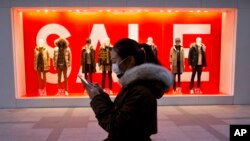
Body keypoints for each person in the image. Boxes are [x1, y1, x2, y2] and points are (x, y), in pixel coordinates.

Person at [83, 38, 173, 141]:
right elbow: (118, 113)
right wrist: (101, 95)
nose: (113, 66)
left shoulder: (140, 91)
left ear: (129, 60)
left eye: (115, 61)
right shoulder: (132, 85)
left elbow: (116, 127)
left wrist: (96, 99)